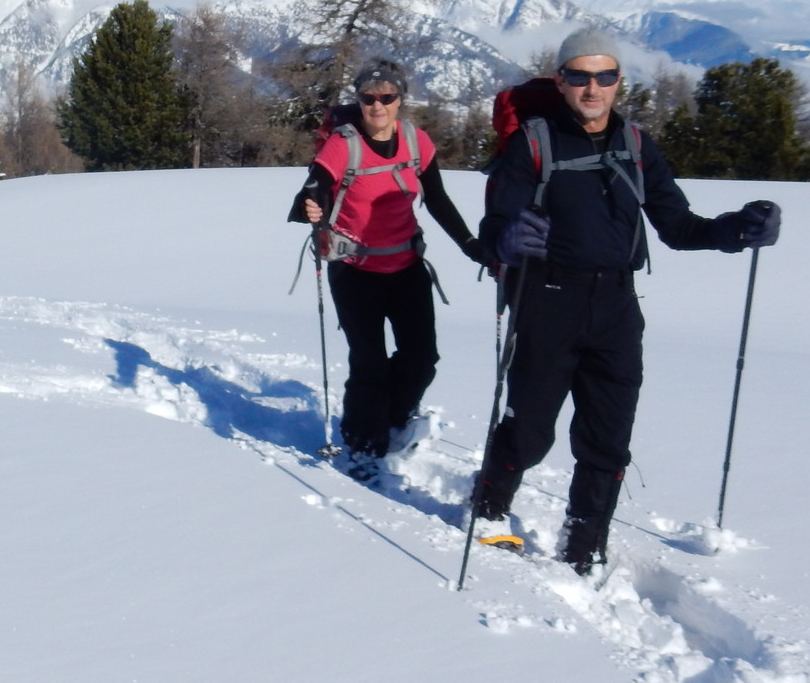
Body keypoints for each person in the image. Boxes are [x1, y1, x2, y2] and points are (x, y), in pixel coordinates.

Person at [472, 28, 783, 574]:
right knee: (531, 430)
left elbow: (680, 226)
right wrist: (505, 240)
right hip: (547, 301)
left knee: (608, 436)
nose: (593, 88)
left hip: (616, 305)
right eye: (579, 76)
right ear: (561, 79)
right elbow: (496, 222)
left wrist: (738, 229)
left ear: (619, 81)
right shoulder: (534, 143)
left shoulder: (637, 146)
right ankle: (490, 502)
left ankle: (585, 541)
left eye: (605, 76)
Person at [288, 60, 487, 477]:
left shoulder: (416, 142)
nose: (377, 105)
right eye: (368, 98)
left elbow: (436, 199)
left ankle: (392, 419)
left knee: (422, 358)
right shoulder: (343, 144)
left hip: (406, 267)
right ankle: (362, 445)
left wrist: (470, 244)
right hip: (355, 270)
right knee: (369, 364)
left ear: (400, 100)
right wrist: (312, 203)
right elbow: (318, 184)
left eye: (387, 97)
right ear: (358, 100)